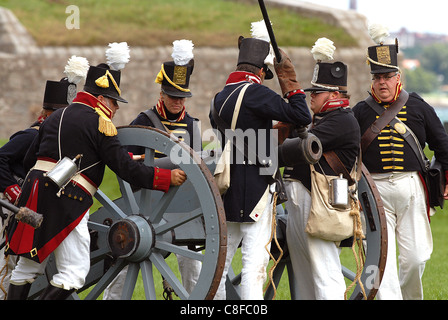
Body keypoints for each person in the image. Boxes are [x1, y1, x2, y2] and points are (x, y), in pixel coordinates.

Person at [4, 44, 187, 300]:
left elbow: (27, 160)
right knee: (74, 273)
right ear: (101, 99)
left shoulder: (56, 116)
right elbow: (125, 169)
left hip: (34, 193)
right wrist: (165, 177)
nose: (117, 108)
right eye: (114, 101)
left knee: (27, 266)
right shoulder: (101, 123)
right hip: (68, 200)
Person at [210, 20, 312, 300]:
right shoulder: (256, 93)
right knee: (255, 265)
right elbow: (303, 115)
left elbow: (239, 134)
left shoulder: (218, 99)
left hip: (228, 190)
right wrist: (289, 80)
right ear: (260, 70)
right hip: (257, 189)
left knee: (219, 265)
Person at [352, 24, 448, 299]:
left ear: (398, 77)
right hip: (374, 191)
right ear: (372, 80)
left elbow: (443, 146)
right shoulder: (359, 112)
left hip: (411, 187)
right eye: (378, 77)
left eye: (388, 76)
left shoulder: (418, 106)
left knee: (416, 258)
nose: (382, 82)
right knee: (384, 263)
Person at [103, 40, 201, 299]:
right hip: (145, 204)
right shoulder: (145, 121)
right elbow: (124, 161)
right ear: (162, 94)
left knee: (194, 266)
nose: (178, 102)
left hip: (183, 205)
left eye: (182, 97)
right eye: (173, 96)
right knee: (124, 260)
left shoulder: (193, 126)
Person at [0, 56, 89, 299]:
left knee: (21, 268)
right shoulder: (32, 136)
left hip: (34, 206)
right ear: (48, 113)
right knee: (5, 271)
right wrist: (14, 192)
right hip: (11, 207)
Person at [283, 38, 361, 300]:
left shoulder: (342, 121)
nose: (311, 97)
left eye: (316, 93)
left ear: (335, 95)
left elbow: (301, 145)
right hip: (303, 199)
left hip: (318, 201)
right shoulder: (327, 119)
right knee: (305, 275)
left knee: (325, 274)